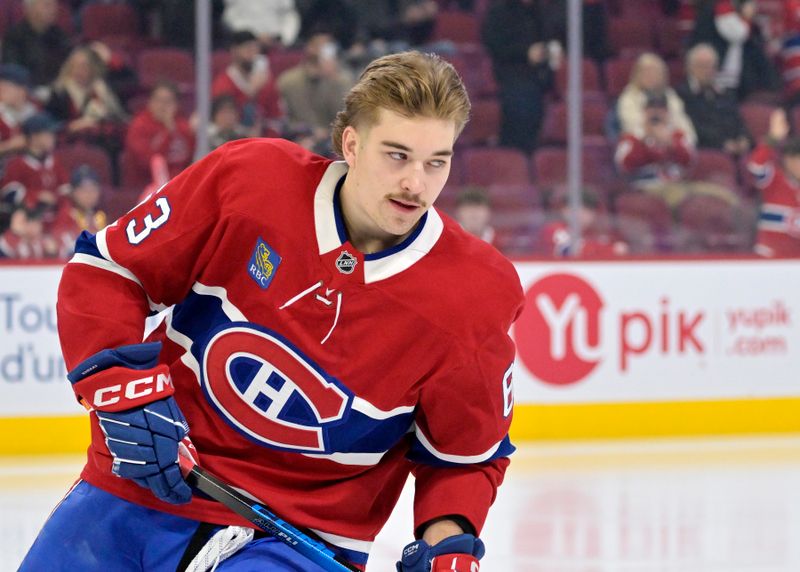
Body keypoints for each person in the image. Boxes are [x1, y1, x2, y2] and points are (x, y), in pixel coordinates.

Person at [20, 51, 523, 572]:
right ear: (352, 144)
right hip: (147, 481)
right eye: (397, 155)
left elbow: (465, 458)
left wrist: (449, 547)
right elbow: (110, 270)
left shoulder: (474, 295)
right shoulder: (251, 180)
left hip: (302, 540)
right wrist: (122, 392)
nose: (416, 184)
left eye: (436, 162)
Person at [481, 0, 555, 152]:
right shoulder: (500, 10)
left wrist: (546, 52)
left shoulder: (539, 11)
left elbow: (549, 38)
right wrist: (526, 53)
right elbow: (495, 44)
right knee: (521, 101)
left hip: (537, 76)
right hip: (509, 73)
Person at [277, 33, 354, 156]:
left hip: (332, 139)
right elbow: (283, 117)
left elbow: (346, 114)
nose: (322, 50)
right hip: (298, 137)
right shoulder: (288, 80)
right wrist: (306, 132)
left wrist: (333, 80)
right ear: (309, 48)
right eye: (319, 46)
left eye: (327, 47)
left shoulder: (341, 80)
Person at [676, 43, 751, 155]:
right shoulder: (682, 94)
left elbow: (737, 120)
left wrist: (743, 138)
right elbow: (692, 127)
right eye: (702, 66)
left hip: (733, 148)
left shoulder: (725, 93)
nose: (707, 71)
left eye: (712, 66)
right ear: (689, 68)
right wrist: (722, 144)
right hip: (706, 149)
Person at [746, 108, 800, 257]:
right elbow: (755, 166)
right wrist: (772, 139)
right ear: (788, 160)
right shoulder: (774, 179)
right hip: (769, 257)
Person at [123, 80, 195, 187]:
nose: (162, 106)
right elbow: (147, 162)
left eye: (168, 101)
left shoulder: (183, 127)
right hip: (146, 186)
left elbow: (191, 158)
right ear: (150, 102)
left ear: (176, 105)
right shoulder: (139, 126)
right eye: (158, 100)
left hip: (180, 185)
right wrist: (168, 132)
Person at [0, 111, 68, 224]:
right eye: (48, 133)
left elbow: (65, 187)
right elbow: (9, 193)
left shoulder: (54, 161)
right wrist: (36, 196)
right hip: (27, 221)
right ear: (34, 137)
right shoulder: (17, 164)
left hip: (56, 220)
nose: (53, 137)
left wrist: (56, 198)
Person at [616, 52, 697, 146]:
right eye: (646, 72)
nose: (651, 75)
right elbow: (632, 126)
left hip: (671, 144)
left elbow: (685, 129)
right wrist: (654, 134)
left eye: (655, 72)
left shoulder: (671, 96)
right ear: (637, 74)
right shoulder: (628, 97)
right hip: (641, 145)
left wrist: (673, 138)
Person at [211, 30, 282, 134]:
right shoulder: (222, 84)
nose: (253, 53)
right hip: (236, 137)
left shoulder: (265, 80)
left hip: (264, 136)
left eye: (255, 48)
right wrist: (251, 91)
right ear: (234, 51)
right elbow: (225, 121)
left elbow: (275, 116)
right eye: (248, 48)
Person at [0, 0, 71, 95]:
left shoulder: (59, 36)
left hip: (55, 91)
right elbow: (12, 72)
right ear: (30, 9)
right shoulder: (15, 37)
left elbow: (68, 65)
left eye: (55, 6)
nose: (54, 10)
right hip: (26, 92)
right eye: (47, 5)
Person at [50, 164, 107, 258]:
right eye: (84, 190)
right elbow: (64, 250)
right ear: (73, 192)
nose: (89, 195)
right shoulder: (65, 216)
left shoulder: (100, 217)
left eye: (93, 190)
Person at [0, 64, 38, 160]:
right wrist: (8, 146)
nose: (1, 91)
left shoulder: (35, 109)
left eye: (6, 88)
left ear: (22, 90)